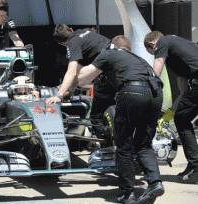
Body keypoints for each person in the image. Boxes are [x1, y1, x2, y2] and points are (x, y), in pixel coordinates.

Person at [78, 35, 164, 203]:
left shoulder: (109, 53)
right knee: (144, 144)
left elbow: (84, 78)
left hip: (132, 91)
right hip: (156, 94)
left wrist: (73, 77)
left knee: (124, 145)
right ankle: (155, 182)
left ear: (112, 45)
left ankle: (127, 193)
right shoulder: (138, 59)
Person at [144, 31, 198, 181]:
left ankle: (195, 164)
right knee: (182, 116)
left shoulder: (162, 42)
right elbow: (183, 92)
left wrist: (149, 93)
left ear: (152, 44)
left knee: (182, 119)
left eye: (152, 52)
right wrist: (167, 117)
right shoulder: (183, 47)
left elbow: (158, 67)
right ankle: (194, 164)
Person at [46, 24, 112, 140]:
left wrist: (59, 95)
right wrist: (70, 90)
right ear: (71, 30)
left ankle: (104, 145)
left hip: (108, 64)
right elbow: (78, 67)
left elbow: (72, 71)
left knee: (96, 114)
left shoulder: (72, 42)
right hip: (118, 60)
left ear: (61, 44)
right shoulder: (82, 33)